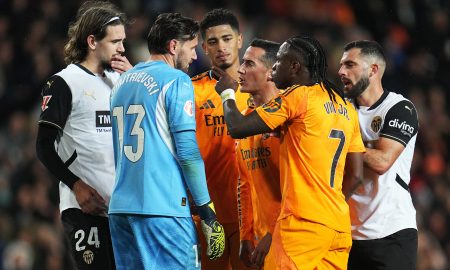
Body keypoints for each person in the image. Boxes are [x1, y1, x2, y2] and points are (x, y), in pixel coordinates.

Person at [213, 35, 365, 270]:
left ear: (294, 66)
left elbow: (236, 127)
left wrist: (226, 94)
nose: (275, 67)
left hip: (302, 224)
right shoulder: (346, 107)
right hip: (336, 226)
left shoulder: (298, 97)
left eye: (280, 61)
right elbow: (356, 175)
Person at [108, 13, 225, 270]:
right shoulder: (177, 81)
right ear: (174, 46)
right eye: (192, 48)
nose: (195, 56)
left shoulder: (121, 83)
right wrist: (206, 209)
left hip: (120, 210)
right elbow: (187, 152)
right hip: (163, 208)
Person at [35, 1, 132, 269]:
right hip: (84, 211)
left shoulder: (119, 81)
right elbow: (43, 147)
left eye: (123, 41)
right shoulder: (64, 83)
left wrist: (134, 81)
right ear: (92, 41)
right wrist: (76, 185)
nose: (122, 48)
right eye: (115, 41)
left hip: (122, 209)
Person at [338, 40, 419, 270]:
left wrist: (343, 143)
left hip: (392, 233)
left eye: (350, 64)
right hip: (348, 235)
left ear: (373, 70)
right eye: (341, 65)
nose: (341, 71)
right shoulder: (341, 109)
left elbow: (382, 161)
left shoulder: (399, 108)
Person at [191, 8, 250, 270]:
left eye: (227, 39)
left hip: (250, 215)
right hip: (207, 215)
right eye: (213, 42)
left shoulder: (260, 89)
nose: (221, 47)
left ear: (239, 40)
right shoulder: (190, 90)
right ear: (203, 47)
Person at [235, 38, 282, 270]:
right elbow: (244, 182)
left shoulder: (289, 120)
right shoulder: (245, 119)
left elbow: (299, 188)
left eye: (249, 64)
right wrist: (246, 235)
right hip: (259, 243)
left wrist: (274, 234)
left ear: (271, 72)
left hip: (291, 238)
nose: (240, 70)